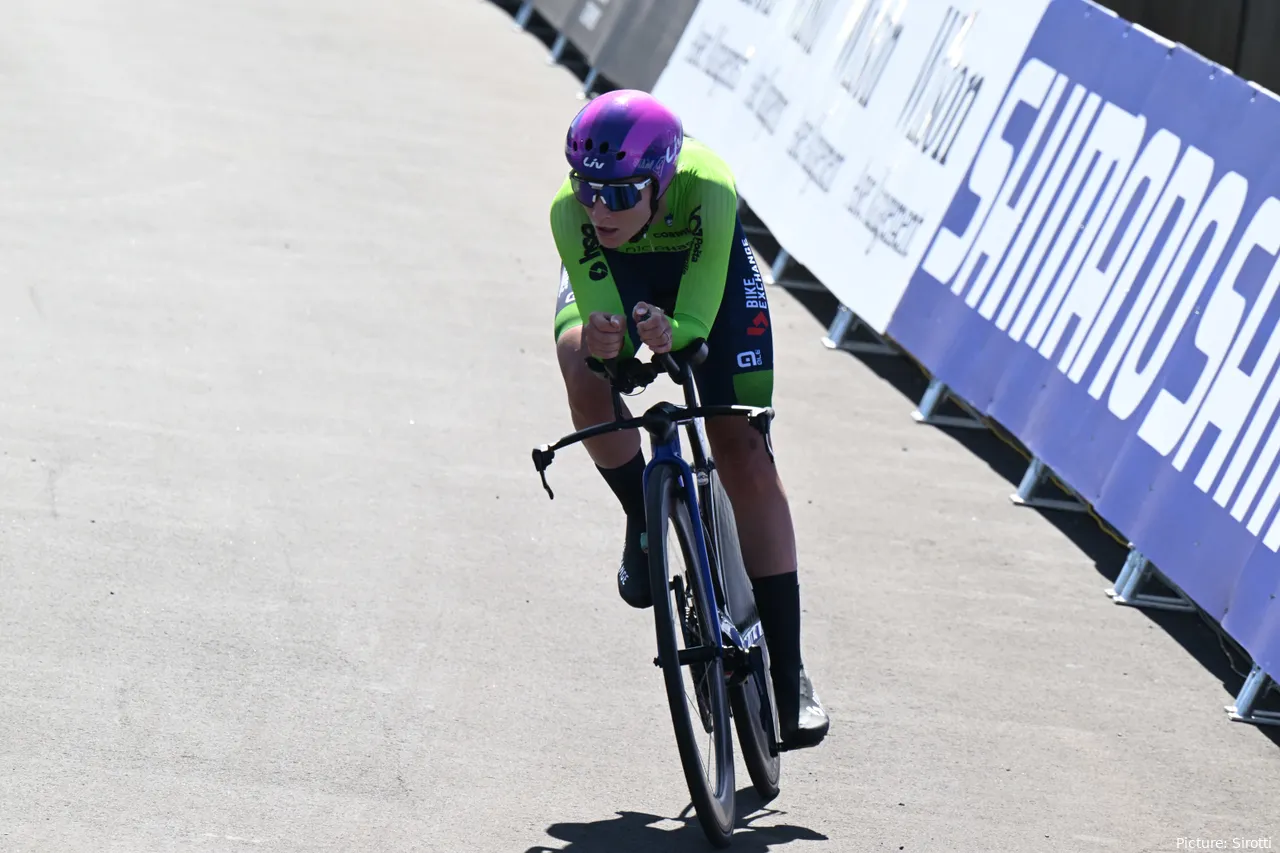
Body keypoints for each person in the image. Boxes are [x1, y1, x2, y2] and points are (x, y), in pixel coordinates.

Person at [547, 89, 829, 751]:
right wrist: (609, 343)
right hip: (622, 278)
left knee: (743, 450)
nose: (597, 206)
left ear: (662, 179)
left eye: (618, 195)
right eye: (588, 188)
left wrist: (678, 333)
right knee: (580, 362)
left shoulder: (707, 185)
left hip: (709, 283)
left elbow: (698, 317)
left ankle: (789, 678)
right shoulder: (572, 210)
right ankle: (644, 516)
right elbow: (597, 316)